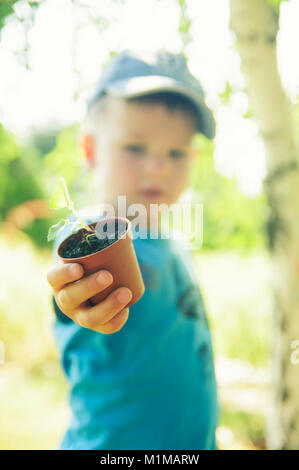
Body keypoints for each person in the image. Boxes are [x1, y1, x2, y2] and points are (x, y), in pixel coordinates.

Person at [46, 50, 219, 450]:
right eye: (135, 148)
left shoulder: (175, 242)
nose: (158, 167)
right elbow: (72, 268)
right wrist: (80, 298)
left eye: (175, 153)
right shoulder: (95, 232)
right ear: (90, 150)